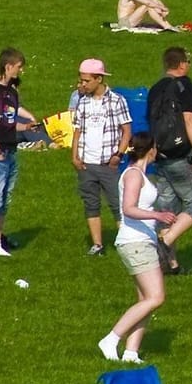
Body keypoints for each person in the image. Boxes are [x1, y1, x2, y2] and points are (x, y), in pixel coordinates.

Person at [99, 133, 176, 364]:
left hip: (143, 240)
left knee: (145, 299)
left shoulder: (139, 173)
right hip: (135, 242)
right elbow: (129, 208)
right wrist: (157, 214)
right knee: (156, 297)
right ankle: (111, 338)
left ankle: (131, 352)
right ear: (150, 149)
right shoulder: (133, 175)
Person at [147, 46, 192, 275]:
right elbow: (190, 119)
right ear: (182, 64)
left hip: (161, 155)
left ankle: (171, 265)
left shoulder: (156, 88)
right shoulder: (184, 85)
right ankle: (165, 241)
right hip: (182, 155)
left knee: (167, 211)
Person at [68, 58, 131, 256]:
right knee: (91, 204)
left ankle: (125, 242)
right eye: (81, 80)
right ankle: (98, 245)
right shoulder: (83, 102)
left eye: (86, 81)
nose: (83, 84)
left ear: (99, 79)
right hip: (86, 162)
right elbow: (77, 131)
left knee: (117, 203)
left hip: (108, 162)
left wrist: (118, 155)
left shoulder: (116, 100)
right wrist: (75, 155)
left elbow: (126, 130)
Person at [0, 47, 36, 257]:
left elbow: (9, 123)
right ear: (8, 66)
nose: (20, 71)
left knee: (5, 198)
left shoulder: (11, 92)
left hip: (11, 150)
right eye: (19, 67)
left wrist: (27, 126)